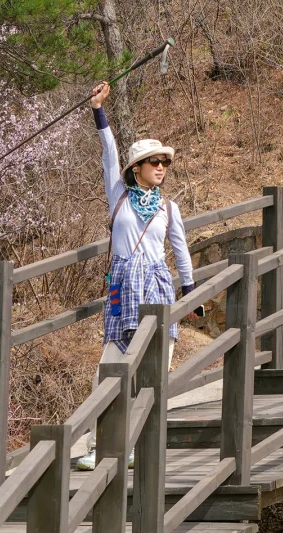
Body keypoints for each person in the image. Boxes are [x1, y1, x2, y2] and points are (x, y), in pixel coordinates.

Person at [76, 81, 196, 468]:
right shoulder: (120, 196)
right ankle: (99, 445)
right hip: (123, 288)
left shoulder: (169, 210)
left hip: (158, 290)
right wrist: (98, 111)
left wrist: (191, 294)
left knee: (153, 370)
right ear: (137, 169)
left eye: (165, 162)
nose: (161, 167)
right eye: (154, 162)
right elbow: (108, 153)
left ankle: (135, 444)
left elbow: (180, 251)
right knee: (110, 369)